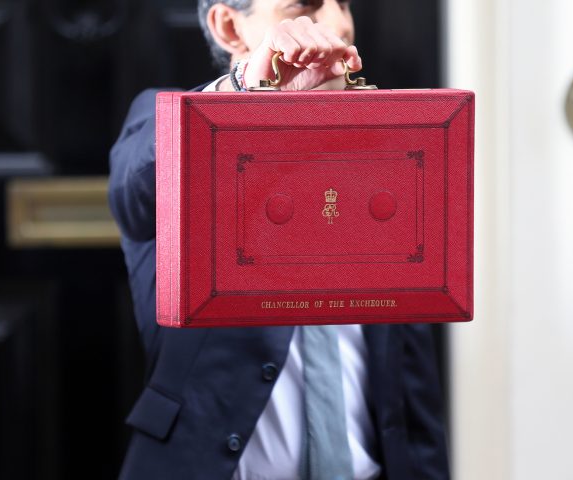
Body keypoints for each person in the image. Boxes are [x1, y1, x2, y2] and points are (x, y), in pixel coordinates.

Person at [109, 1, 450, 478]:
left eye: (343, 3)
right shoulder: (167, 123)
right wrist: (245, 91)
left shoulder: (393, 158)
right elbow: (135, 186)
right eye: (306, 5)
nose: (338, 23)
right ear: (230, 26)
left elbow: (413, 391)